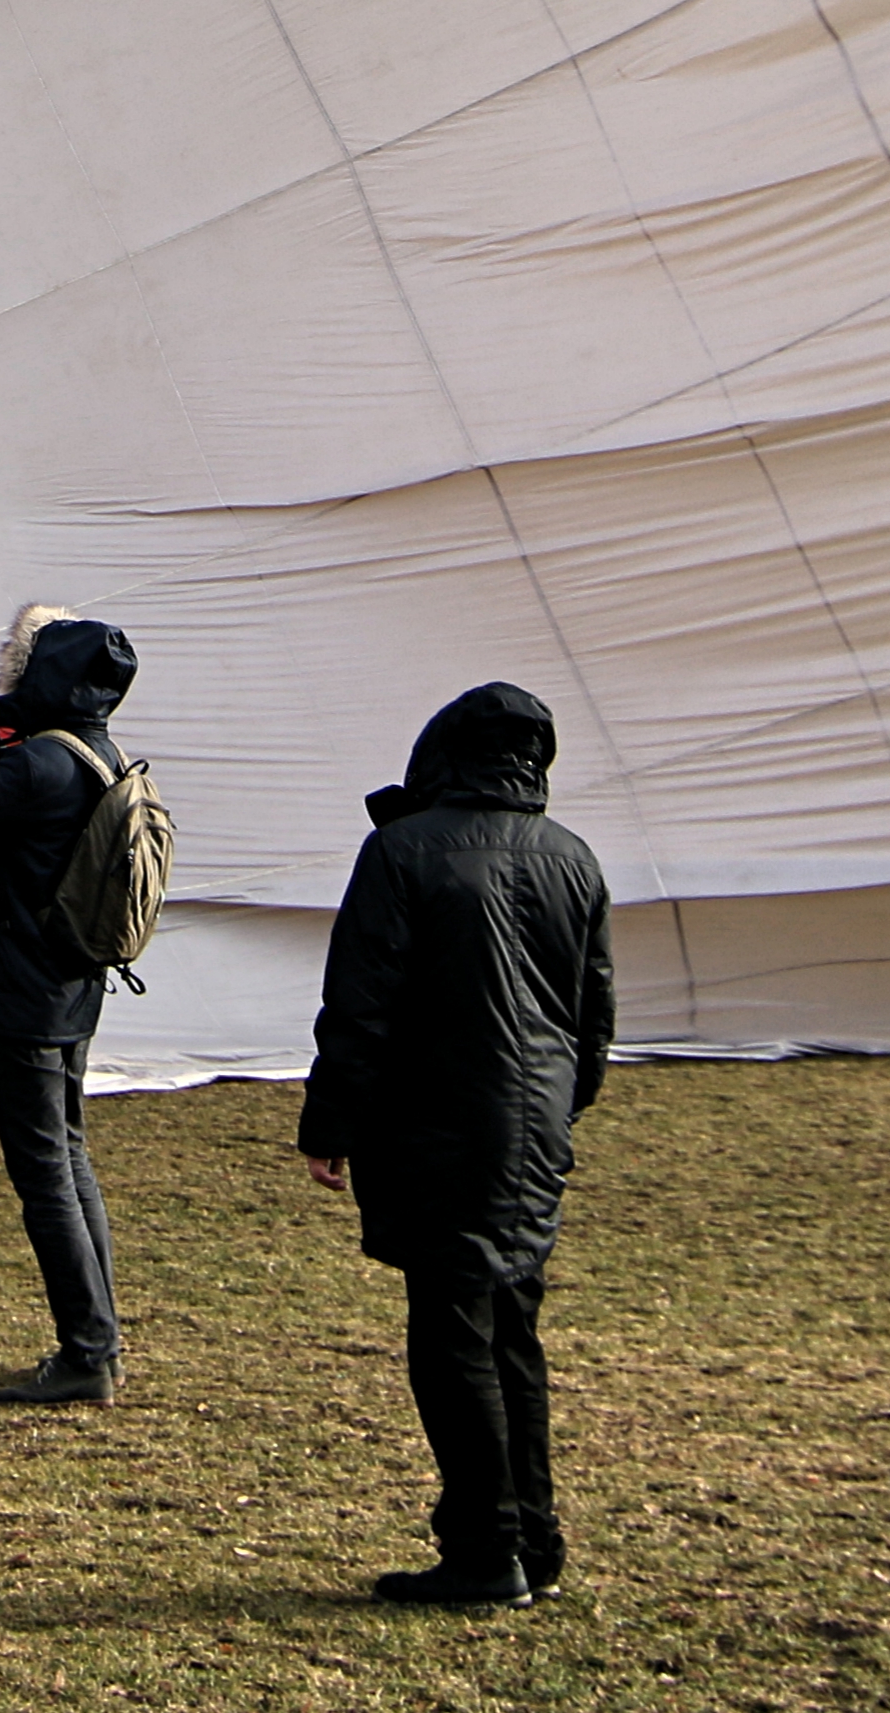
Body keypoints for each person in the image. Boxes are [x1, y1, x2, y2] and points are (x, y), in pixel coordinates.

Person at [296, 681, 616, 1611]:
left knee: (453, 1334)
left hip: (437, 1120)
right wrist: (559, 1109)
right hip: (532, 1123)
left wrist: (331, 1124)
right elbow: (592, 1018)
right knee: (511, 1326)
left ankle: (484, 1548)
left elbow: (360, 1004)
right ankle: (531, 1536)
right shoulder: (574, 857)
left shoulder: (402, 849)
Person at [0, 609, 143, 1406]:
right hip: (76, 983)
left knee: (44, 1172)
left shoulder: (39, 764)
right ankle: (100, 1339)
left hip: (21, 989)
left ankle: (87, 1352)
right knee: (70, 1158)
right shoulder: (97, 753)